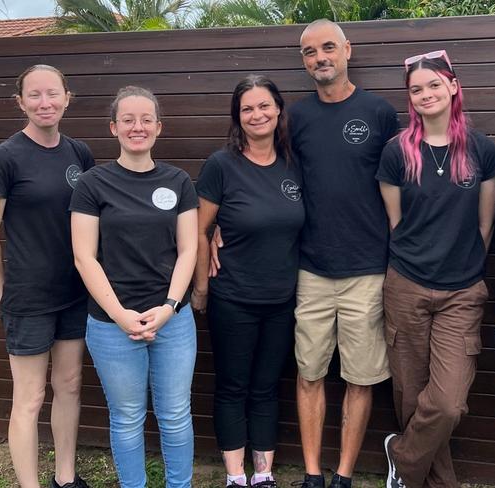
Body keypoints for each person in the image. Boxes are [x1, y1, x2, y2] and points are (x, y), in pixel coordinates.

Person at [377, 50, 495, 488]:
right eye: (416, 90)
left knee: (447, 402)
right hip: (407, 285)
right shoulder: (396, 152)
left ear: (453, 86)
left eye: (434, 85)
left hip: (462, 290)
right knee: (412, 396)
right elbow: (397, 224)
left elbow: (485, 224)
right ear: (409, 99)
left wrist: (460, 261)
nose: (425, 94)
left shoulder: (480, 149)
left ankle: (401, 456)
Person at [70, 86, 198, 488]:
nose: (137, 127)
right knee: (126, 417)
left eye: (146, 119)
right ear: (114, 128)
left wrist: (171, 306)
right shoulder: (93, 184)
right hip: (111, 325)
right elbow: (84, 257)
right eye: (128, 120)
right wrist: (120, 315)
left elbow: (189, 249)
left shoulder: (178, 181)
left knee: (176, 413)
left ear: (159, 127)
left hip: (173, 322)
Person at [289, 19, 399, 488]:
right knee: (309, 373)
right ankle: (313, 473)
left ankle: (343, 475)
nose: (320, 58)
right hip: (310, 268)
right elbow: (269, 178)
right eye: (311, 52)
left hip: (367, 270)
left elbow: (400, 184)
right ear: (304, 61)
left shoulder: (379, 112)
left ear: (348, 50)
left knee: (361, 377)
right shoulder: (294, 117)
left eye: (328, 47)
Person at [0, 65, 94, 488]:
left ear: (67, 97)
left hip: (73, 292)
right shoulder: (4, 158)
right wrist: (5, 296)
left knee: (69, 385)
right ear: (20, 102)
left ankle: (65, 478)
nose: (44, 103)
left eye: (53, 94)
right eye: (34, 95)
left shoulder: (79, 153)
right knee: (29, 399)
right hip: (27, 299)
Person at [193, 74, 304, 488]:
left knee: (267, 386)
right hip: (233, 298)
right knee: (233, 386)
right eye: (247, 109)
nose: (256, 114)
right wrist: (201, 289)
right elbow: (201, 230)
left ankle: (264, 474)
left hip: (282, 299)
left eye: (263, 106)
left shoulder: (295, 163)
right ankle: (235, 477)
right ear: (237, 118)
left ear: (278, 110)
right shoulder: (222, 165)